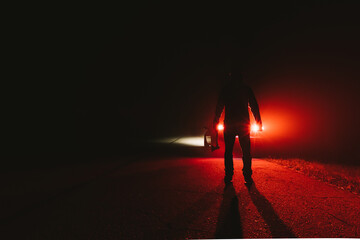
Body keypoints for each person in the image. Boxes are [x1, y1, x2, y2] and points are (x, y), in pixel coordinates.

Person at [213, 69, 262, 185]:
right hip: (243, 124)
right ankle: (247, 175)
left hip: (229, 123)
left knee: (228, 151)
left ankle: (228, 175)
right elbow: (254, 106)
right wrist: (259, 122)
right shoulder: (246, 89)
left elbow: (219, 106)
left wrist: (215, 120)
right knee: (246, 151)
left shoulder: (226, 89)